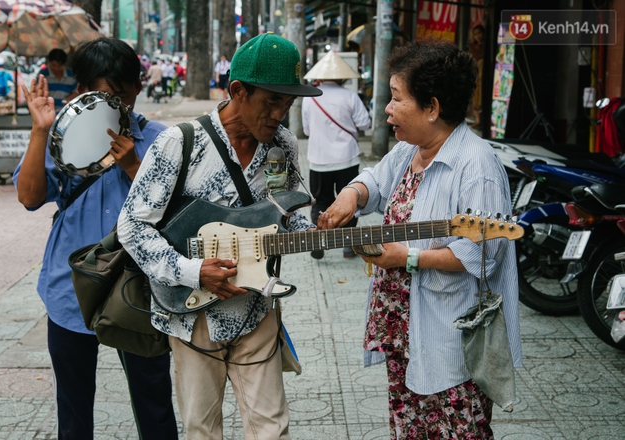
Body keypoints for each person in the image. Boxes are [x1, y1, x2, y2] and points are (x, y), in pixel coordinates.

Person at [117, 32, 322, 440]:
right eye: (272, 102)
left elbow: (289, 220)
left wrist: (322, 232)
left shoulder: (281, 146)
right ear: (237, 91)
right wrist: (192, 271)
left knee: (272, 429)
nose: (280, 115)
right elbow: (133, 227)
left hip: (256, 310)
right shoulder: (180, 143)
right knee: (202, 430)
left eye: (288, 104)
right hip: (192, 316)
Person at [317, 40, 522, 439]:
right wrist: (351, 194)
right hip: (403, 332)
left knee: (456, 428)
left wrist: (407, 257)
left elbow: (480, 254)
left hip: (450, 337)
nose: (388, 109)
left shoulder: (476, 165)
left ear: (432, 108)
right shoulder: (411, 149)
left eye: (397, 98)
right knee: (409, 428)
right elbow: (375, 179)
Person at [13, 37, 178, 440]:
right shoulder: (60, 138)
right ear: (83, 91)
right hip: (69, 291)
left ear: (139, 87)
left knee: (153, 401)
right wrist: (39, 132)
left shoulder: (163, 140)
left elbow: (179, 210)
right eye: (102, 95)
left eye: (122, 95)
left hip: (138, 293)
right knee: (72, 408)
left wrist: (132, 164)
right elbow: (30, 197)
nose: (115, 107)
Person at [302, 51, 371, 260]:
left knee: (321, 202)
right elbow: (365, 124)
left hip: (319, 159)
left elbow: (306, 131)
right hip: (347, 158)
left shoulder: (310, 98)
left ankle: (318, 241)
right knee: (350, 201)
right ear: (342, 77)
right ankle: (348, 246)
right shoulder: (350, 96)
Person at [469, 24, 485, 128]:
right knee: (475, 96)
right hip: (476, 74)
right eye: (475, 34)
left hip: (484, 75)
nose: (478, 36)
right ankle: (478, 120)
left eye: (479, 33)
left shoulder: (488, 46)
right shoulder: (473, 48)